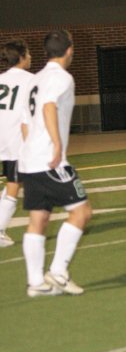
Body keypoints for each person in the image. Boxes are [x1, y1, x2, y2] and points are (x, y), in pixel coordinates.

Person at [19, 30, 92, 297]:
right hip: (50, 160)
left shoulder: (34, 79)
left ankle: (36, 282)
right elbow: (49, 106)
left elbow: (26, 121)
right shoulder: (62, 77)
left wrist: (31, 150)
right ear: (69, 50)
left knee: (38, 217)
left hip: (30, 161)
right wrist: (57, 144)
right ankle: (59, 273)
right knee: (81, 212)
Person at [0, 40, 34, 247]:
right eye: (28, 54)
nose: (30, 57)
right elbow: (29, 115)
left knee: (12, 182)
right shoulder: (31, 81)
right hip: (14, 140)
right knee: (14, 184)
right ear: (21, 56)